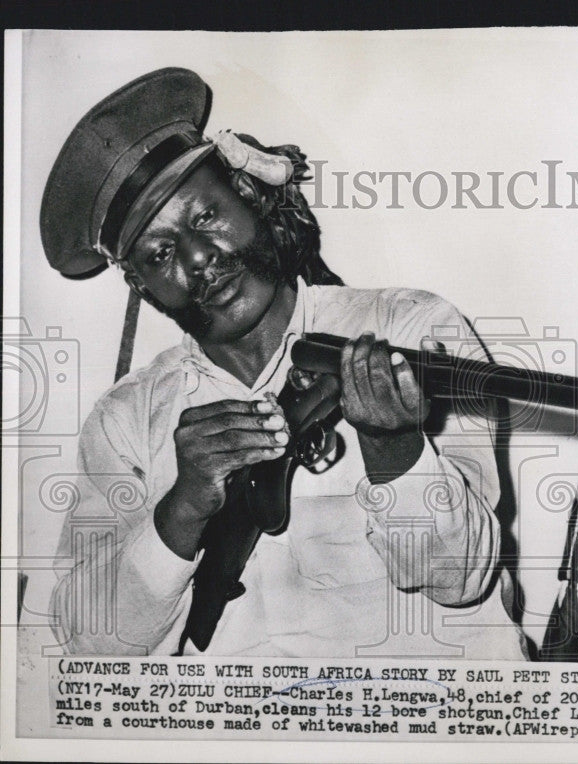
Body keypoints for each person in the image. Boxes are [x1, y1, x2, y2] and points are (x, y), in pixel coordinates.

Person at [41, 67, 528, 658]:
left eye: (205, 218)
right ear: (142, 288)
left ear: (250, 200)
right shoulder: (125, 420)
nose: (198, 260)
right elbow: (89, 645)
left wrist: (394, 447)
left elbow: (464, 579)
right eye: (161, 253)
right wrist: (183, 507)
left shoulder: (412, 327)